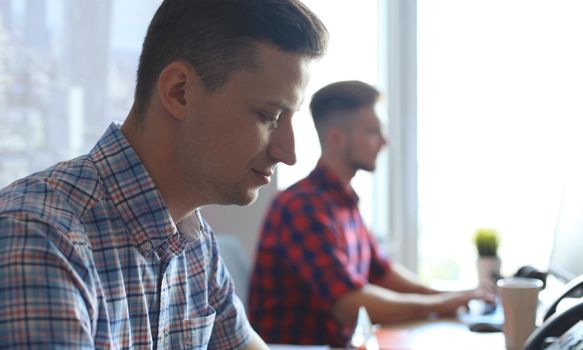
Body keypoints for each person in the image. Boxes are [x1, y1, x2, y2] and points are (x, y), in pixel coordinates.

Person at [0, 0, 327, 348]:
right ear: (179, 92)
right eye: (268, 116)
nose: (288, 153)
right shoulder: (39, 239)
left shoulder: (194, 240)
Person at [248, 81, 493, 347]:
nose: (385, 141)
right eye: (373, 131)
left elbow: (382, 272)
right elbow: (351, 304)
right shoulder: (301, 207)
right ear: (336, 138)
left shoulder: (342, 202)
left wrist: (454, 295)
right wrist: (442, 302)